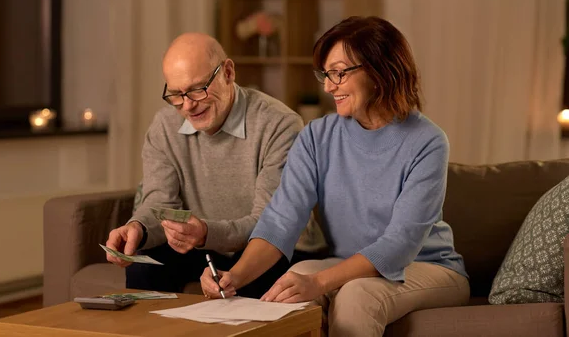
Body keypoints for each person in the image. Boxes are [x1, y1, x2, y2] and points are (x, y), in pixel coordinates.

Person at [200, 17, 470, 336]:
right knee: (289, 285)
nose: (329, 86)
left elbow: (399, 244)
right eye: (326, 74)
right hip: (348, 264)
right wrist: (235, 276)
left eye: (339, 73)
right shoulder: (317, 137)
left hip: (428, 268)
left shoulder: (427, 141)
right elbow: (281, 221)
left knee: (357, 295)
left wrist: (318, 282)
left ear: (380, 70)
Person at [105, 33, 324, 299]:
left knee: (255, 276)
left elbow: (270, 224)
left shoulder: (279, 124)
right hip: (206, 245)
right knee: (144, 265)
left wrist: (206, 233)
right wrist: (136, 228)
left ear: (228, 72)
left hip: (275, 247)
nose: (188, 105)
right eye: (176, 94)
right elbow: (160, 204)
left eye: (198, 89)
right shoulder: (164, 127)